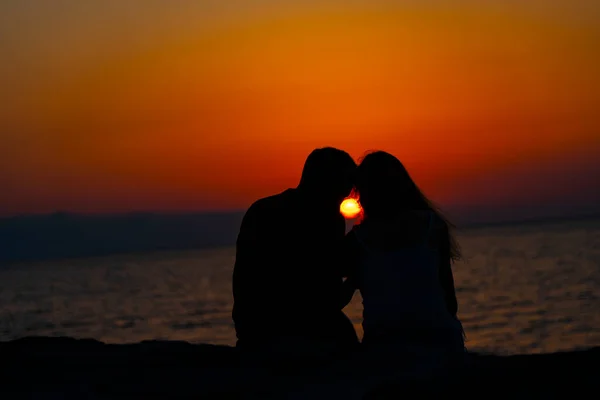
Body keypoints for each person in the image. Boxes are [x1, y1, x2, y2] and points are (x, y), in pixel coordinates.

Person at [342, 150, 465, 369]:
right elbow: (449, 300)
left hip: (386, 349)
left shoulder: (358, 241)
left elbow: (337, 297)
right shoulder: (432, 225)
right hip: (441, 342)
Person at [232, 147, 359, 354]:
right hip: (285, 338)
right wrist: (355, 278)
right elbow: (326, 302)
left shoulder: (261, 210)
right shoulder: (328, 221)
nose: (341, 200)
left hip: (255, 333)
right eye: (340, 192)